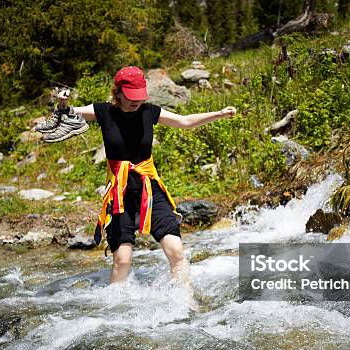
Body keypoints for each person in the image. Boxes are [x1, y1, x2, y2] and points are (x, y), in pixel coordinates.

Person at [39, 66, 236, 285]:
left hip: (148, 187)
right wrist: (63, 103)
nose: (136, 102)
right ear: (119, 92)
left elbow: (185, 121)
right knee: (122, 260)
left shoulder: (149, 111)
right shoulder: (104, 111)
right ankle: (114, 308)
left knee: (176, 251)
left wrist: (218, 114)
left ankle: (187, 302)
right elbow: (69, 113)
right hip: (120, 191)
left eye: (140, 96)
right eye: (131, 97)